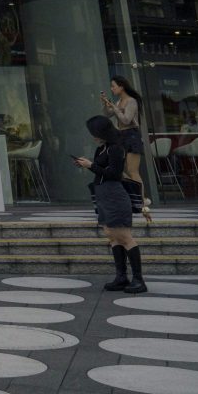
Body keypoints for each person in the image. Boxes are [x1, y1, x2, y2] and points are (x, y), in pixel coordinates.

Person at [76, 115, 147, 293]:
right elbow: (101, 170)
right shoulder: (102, 148)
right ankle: (121, 276)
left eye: (94, 132)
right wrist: (87, 165)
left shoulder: (115, 148)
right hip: (103, 194)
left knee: (123, 235)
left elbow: (114, 174)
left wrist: (91, 166)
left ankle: (138, 279)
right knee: (111, 234)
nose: (93, 136)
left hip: (114, 194)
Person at [103, 76, 151, 222]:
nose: (112, 89)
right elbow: (108, 114)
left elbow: (126, 119)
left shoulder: (131, 101)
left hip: (131, 135)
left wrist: (115, 108)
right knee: (118, 169)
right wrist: (106, 105)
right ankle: (137, 196)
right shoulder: (118, 101)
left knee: (133, 170)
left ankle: (142, 201)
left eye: (113, 86)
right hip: (121, 136)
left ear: (121, 86)